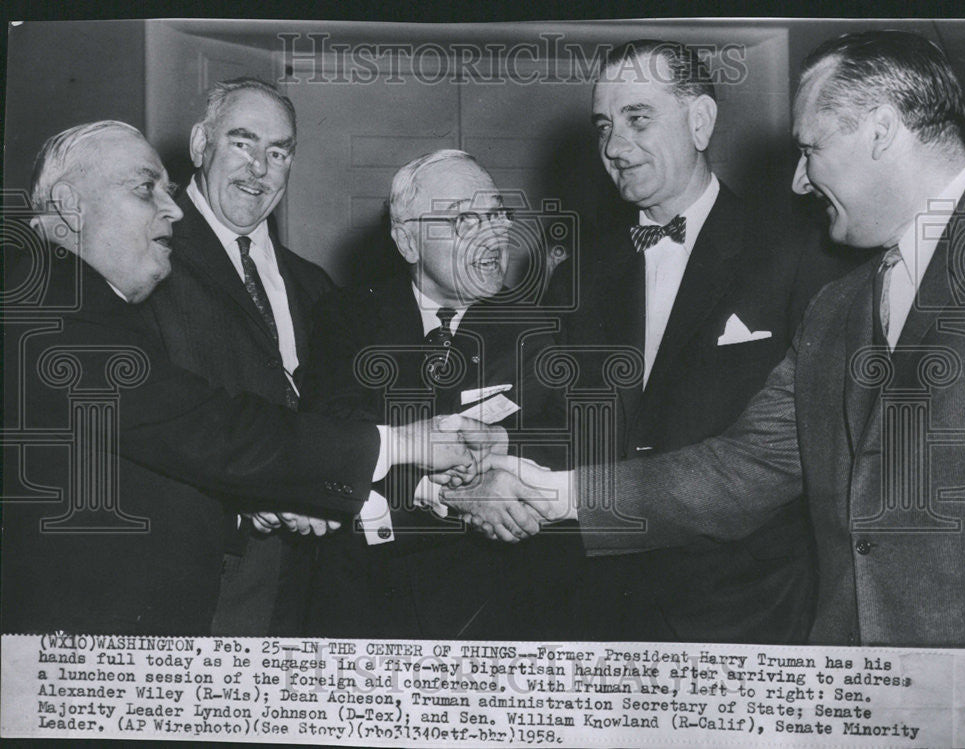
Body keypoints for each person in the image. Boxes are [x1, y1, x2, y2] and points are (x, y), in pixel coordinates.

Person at [448, 30, 965, 647]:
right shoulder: (842, 306)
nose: (797, 180)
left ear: (881, 130)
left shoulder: (811, 264)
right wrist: (550, 489)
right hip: (850, 669)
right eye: (605, 125)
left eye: (810, 148)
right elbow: (745, 465)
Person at [1, 121, 494, 635]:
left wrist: (255, 505)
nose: (172, 209)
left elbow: (136, 468)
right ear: (66, 203)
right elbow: (203, 426)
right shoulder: (41, 302)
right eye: (145, 189)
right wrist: (402, 442)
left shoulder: (72, 298)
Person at [543, 39, 867, 643]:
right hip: (601, 605)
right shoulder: (577, 273)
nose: (614, 146)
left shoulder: (799, 254)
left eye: (638, 118)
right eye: (604, 126)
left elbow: (804, 453)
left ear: (700, 121)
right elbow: (558, 418)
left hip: (747, 611)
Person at [298, 150, 578, 638]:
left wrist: (508, 461)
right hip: (368, 604)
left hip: (497, 606)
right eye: (464, 219)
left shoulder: (540, 326)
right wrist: (456, 493)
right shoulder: (345, 318)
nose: (492, 237)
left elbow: (569, 436)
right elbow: (332, 438)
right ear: (407, 240)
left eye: (496, 214)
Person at [139, 77, 336, 635]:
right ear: (201, 145)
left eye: (278, 152)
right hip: (195, 577)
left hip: (305, 582)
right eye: (243, 143)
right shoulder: (150, 262)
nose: (259, 169)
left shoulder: (315, 285)